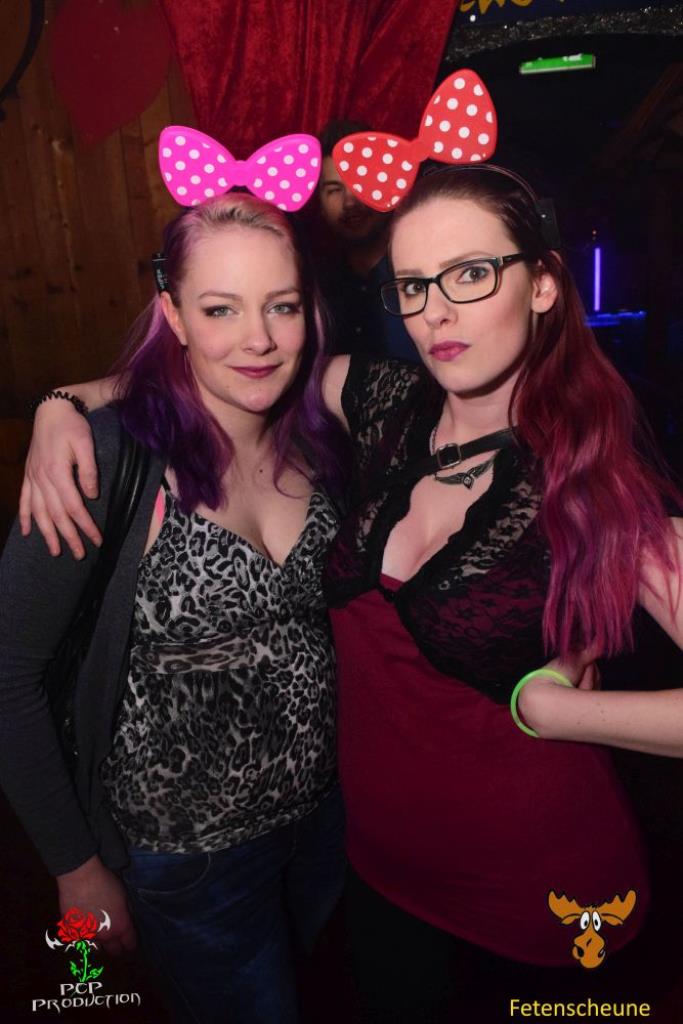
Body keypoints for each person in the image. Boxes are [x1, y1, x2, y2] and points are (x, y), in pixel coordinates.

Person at [17, 165, 683, 1022]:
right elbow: (221, 368)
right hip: (374, 875)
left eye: (471, 273)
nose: (436, 312)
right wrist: (64, 404)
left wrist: (555, 710)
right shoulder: (379, 402)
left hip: (536, 887)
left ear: (544, 284)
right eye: (413, 284)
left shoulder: (595, 479)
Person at [0, 192, 347, 1024]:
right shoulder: (105, 459)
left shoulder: (319, 436)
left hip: (325, 824)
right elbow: (8, 678)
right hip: (188, 861)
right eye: (220, 309)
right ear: (174, 315)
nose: (258, 339)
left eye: (281, 306)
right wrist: (76, 867)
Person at [316, 120, 419, 362]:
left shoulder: (423, 272)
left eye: (360, 182)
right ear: (319, 204)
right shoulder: (316, 288)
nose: (349, 202)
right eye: (334, 190)